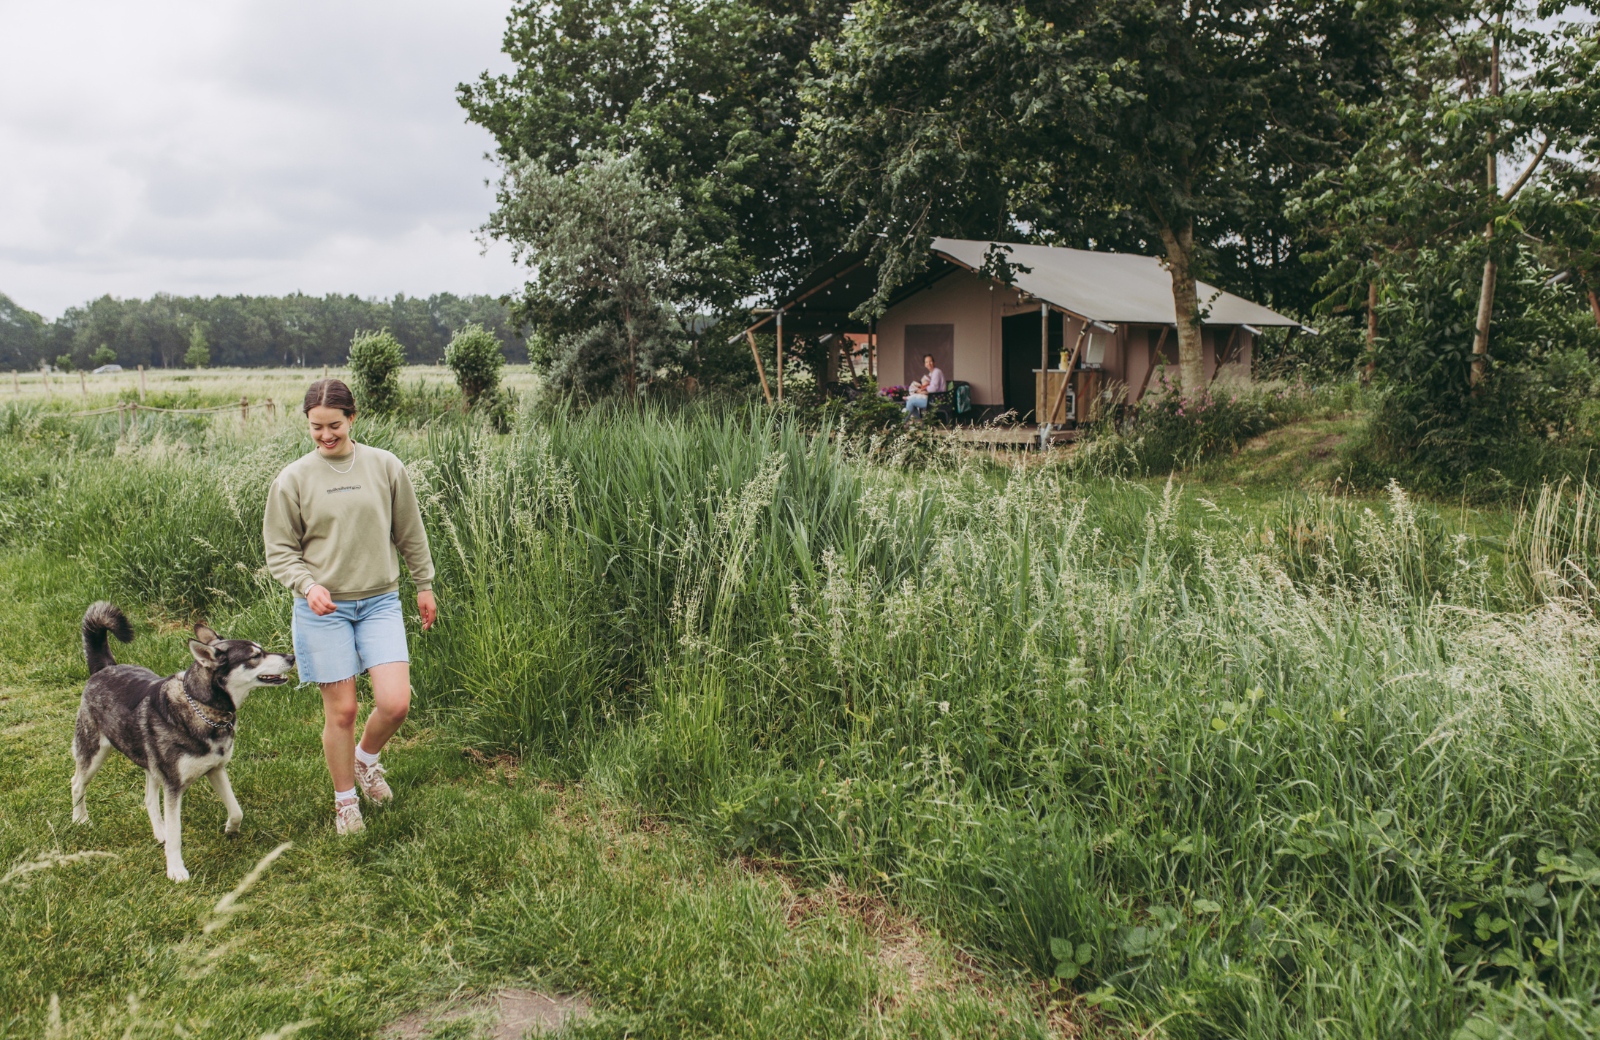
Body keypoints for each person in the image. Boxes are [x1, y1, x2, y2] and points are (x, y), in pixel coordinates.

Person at [263, 379, 437, 835]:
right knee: (341, 712)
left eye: (334, 425)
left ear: (353, 417)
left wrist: (425, 584)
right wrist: (306, 585)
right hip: (324, 609)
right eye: (316, 427)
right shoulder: (293, 479)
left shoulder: (385, 466)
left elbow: (410, 531)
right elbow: (280, 550)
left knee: (395, 704)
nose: (325, 435)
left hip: (380, 601)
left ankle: (366, 760)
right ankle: (345, 802)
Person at [903, 354, 947, 418]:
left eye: (930, 361)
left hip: (936, 400)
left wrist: (921, 391)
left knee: (911, 402)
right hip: (932, 398)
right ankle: (919, 424)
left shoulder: (936, 372)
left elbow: (933, 389)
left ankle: (902, 424)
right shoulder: (931, 373)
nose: (929, 363)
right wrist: (920, 390)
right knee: (910, 401)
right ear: (924, 364)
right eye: (926, 362)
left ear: (934, 362)